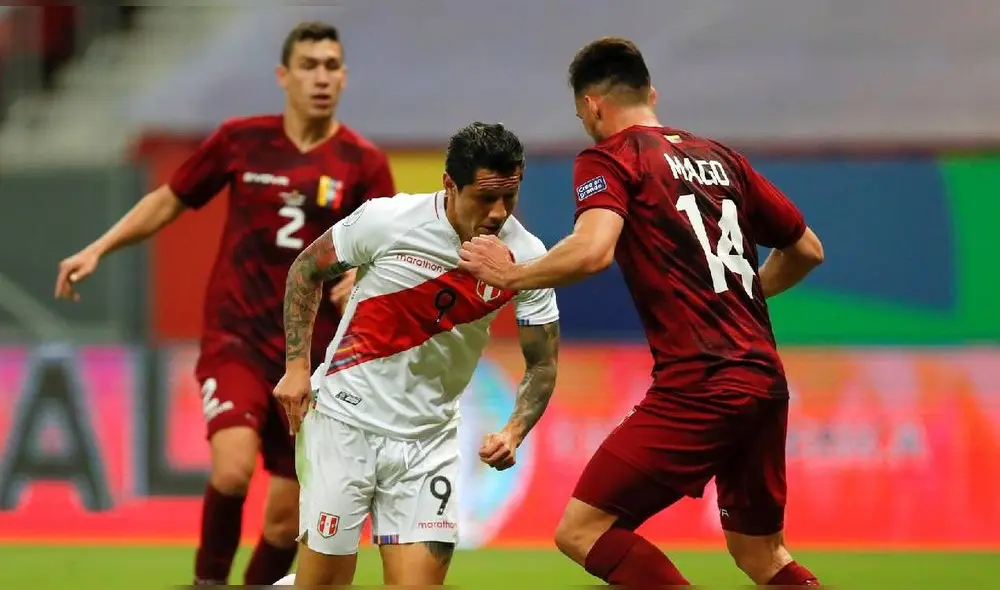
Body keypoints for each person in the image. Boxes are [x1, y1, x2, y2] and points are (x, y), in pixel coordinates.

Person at [457, 38, 825, 586]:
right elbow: (807, 250)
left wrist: (509, 275)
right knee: (761, 556)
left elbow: (593, 250)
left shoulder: (610, 158)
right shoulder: (722, 159)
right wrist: (731, 297)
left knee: (581, 530)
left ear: (592, 105)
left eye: (580, 112)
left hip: (700, 382)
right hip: (763, 381)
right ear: (650, 93)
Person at [53, 21, 395, 585]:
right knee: (233, 470)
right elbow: (169, 201)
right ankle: (206, 582)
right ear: (283, 76)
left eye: (331, 66)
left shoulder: (362, 162)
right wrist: (100, 248)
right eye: (308, 65)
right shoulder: (240, 140)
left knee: (286, 524)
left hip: (307, 359)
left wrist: (361, 272)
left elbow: (388, 246)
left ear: (344, 77)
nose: (321, 77)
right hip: (235, 337)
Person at [272, 122, 561, 586]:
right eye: (485, 198)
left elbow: (543, 362)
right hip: (345, 425)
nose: (498, 213)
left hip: (428, 442)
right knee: (323, 583)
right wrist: (296, 368)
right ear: (449, 184)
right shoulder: (387, 220)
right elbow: (306, 269)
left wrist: (514, 429)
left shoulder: (525, 256)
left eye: (510, 197)